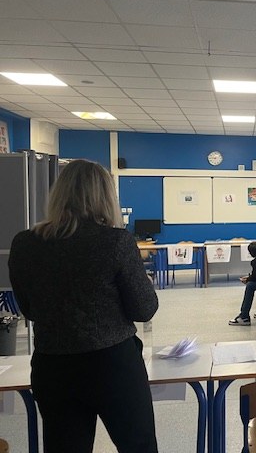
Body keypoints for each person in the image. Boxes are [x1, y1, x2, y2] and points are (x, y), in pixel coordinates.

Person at [8, 159, 159, 453]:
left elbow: (29, 310)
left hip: (53, 365)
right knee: (138, 446)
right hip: (113, 365)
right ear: (106, 196)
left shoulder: (25, 243)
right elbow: (144, 309)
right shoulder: (115, 242)